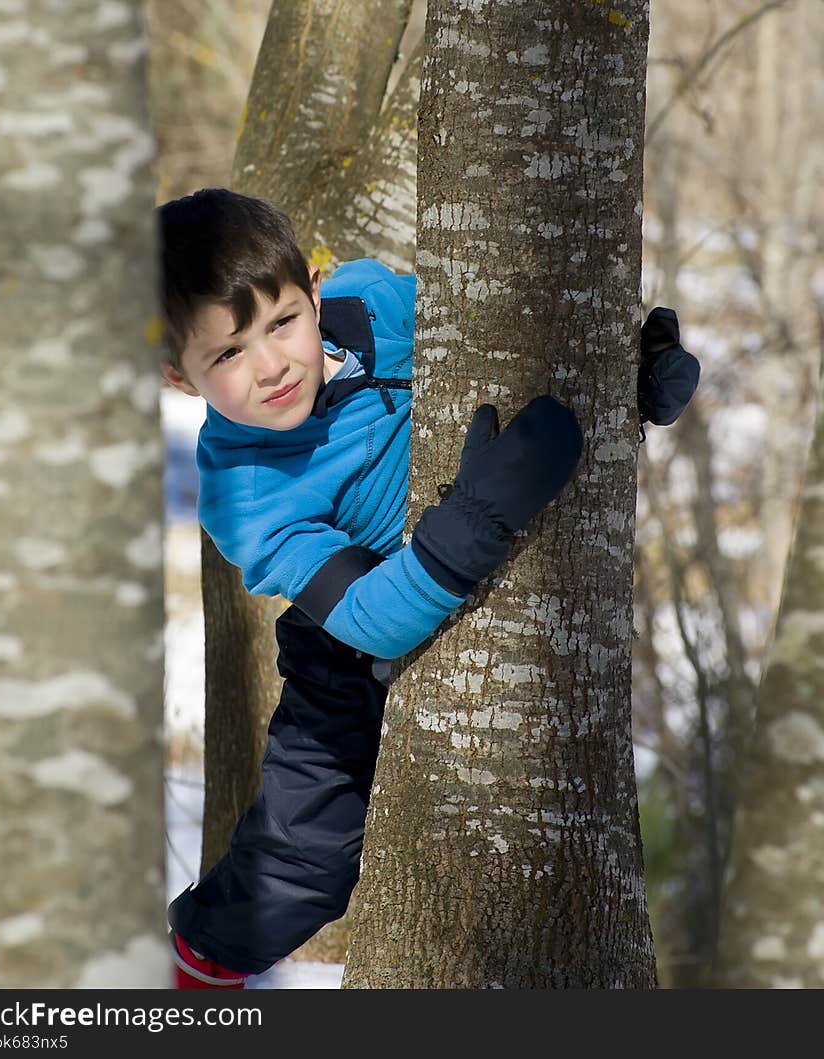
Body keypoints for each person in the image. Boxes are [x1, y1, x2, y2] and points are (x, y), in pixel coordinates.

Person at [158, 188, 699, 988]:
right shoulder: (244, 487)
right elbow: (369, 621)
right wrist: (472, 524)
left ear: (315, 287)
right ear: (179, 377)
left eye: (281, 323)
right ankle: (196, 968)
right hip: (344, 633)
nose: (270, 365)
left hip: (466, 536)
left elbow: (510, 347)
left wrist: (620, 377)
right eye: (227, 355)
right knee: (305, 856)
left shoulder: (375, 301)